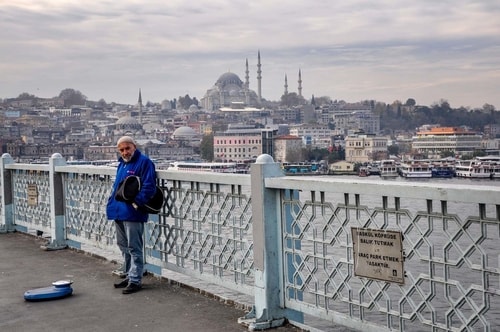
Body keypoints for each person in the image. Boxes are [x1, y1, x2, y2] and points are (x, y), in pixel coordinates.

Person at [106, 136, 157, 294]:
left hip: (132, 212)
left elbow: (149, 186)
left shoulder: (144, 162)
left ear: (134, 147)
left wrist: (137, 203)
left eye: (127, 148)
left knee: (134, 247)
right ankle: (130, 274)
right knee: (123, 245)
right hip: (118, 211)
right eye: (121, 150)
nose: (125, 152)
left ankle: (135, 280)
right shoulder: (121, 164)